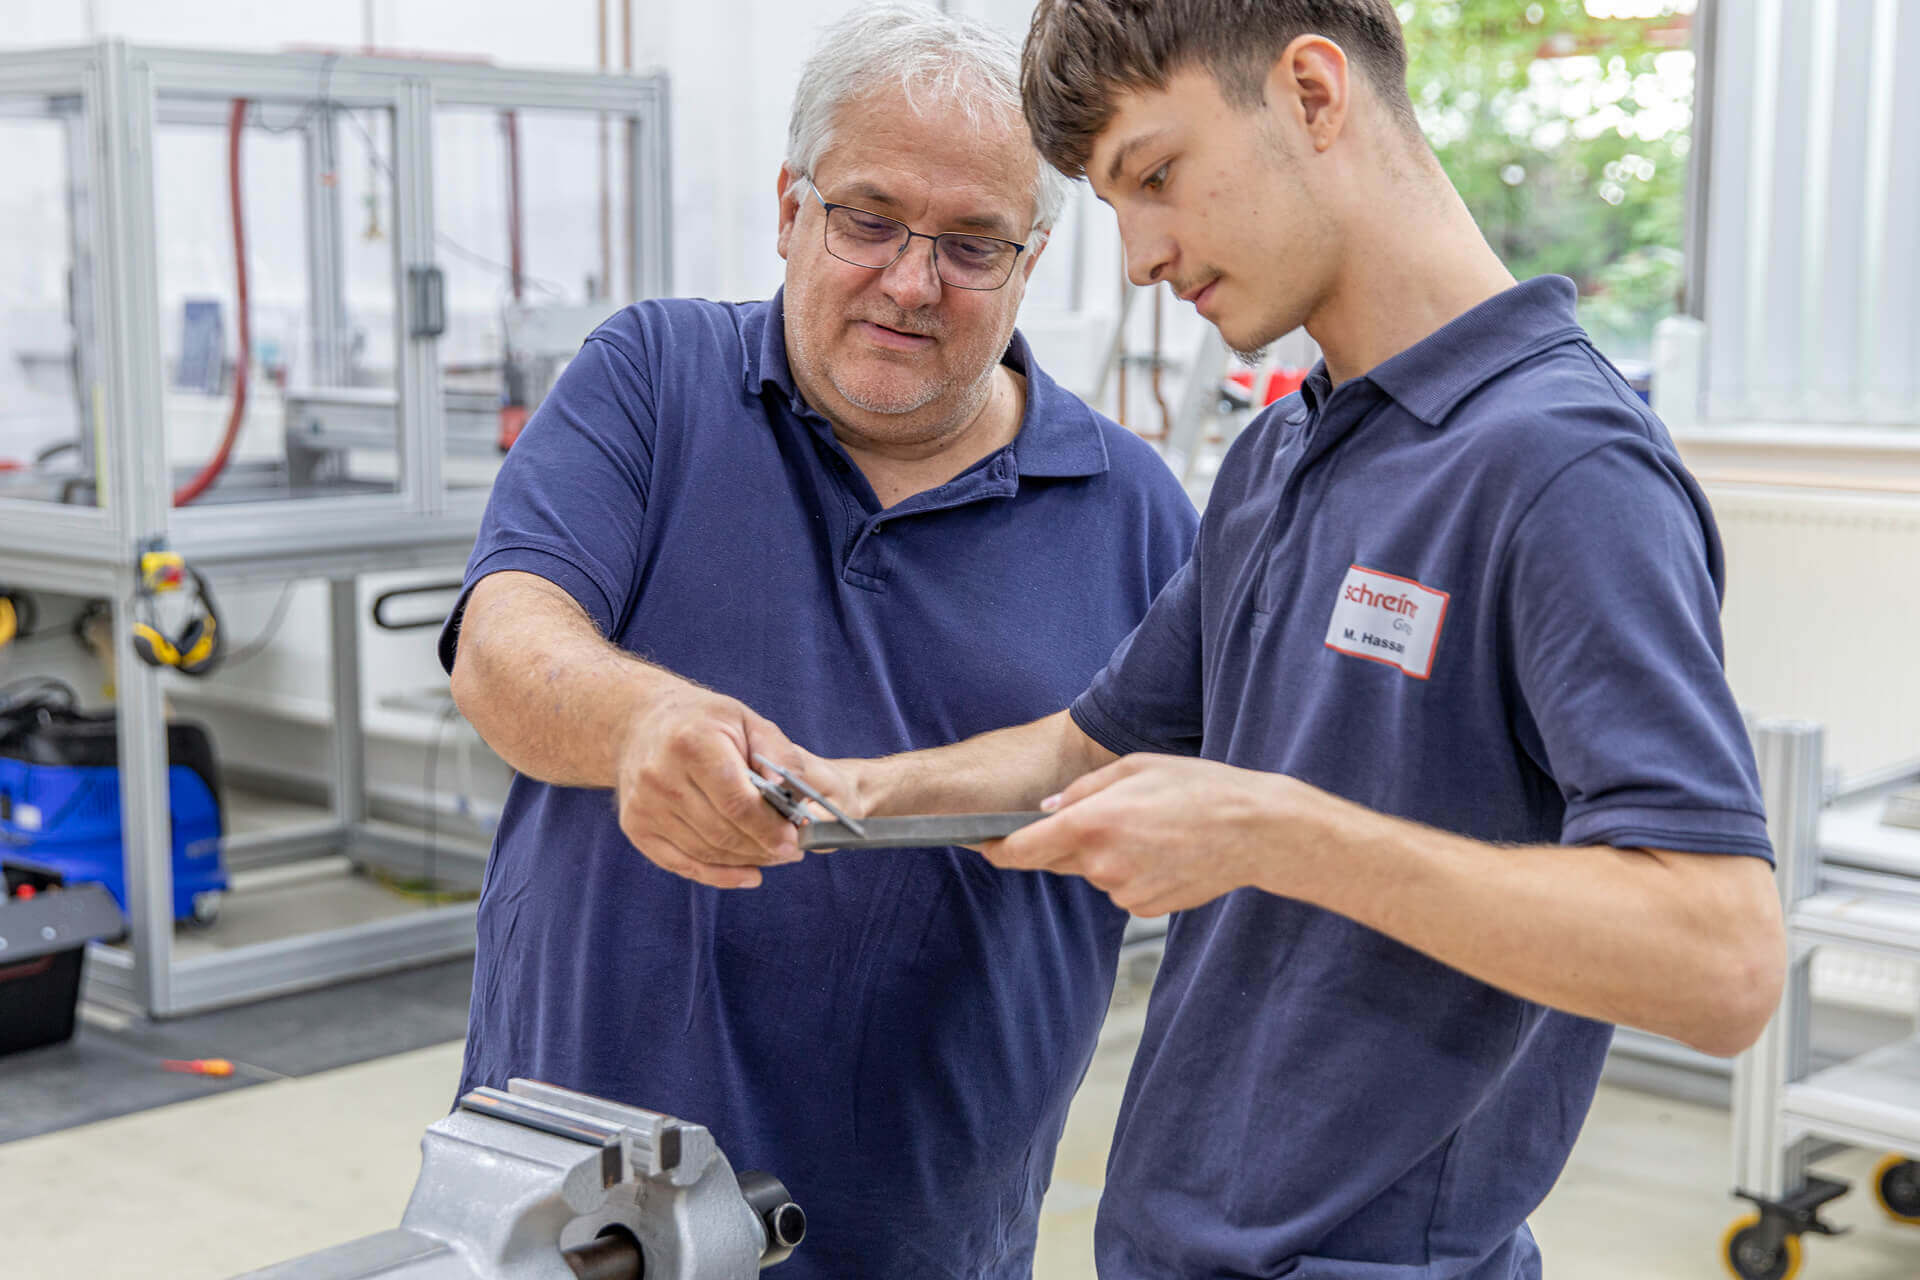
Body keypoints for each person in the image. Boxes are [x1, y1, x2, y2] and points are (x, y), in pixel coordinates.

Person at [689, 3, 1787, 1276]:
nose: (1144, 254)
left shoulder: (1562, 468)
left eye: (1157, 175)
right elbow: (1085, 752)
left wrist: (1270, 832)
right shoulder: (1283, 451)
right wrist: (840, 792)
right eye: (1113, 203)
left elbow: (1721, 956)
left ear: (1314, 95)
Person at [438, 6, 1196, 1278]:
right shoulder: (654, 379)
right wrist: (645, 725)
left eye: (971, 243)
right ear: (791, 207)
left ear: (1034, 256)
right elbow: (505, 645)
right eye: (868, 219)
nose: (910, 281)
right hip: (571, 1201)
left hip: (915, 1229)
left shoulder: (1137, 514)